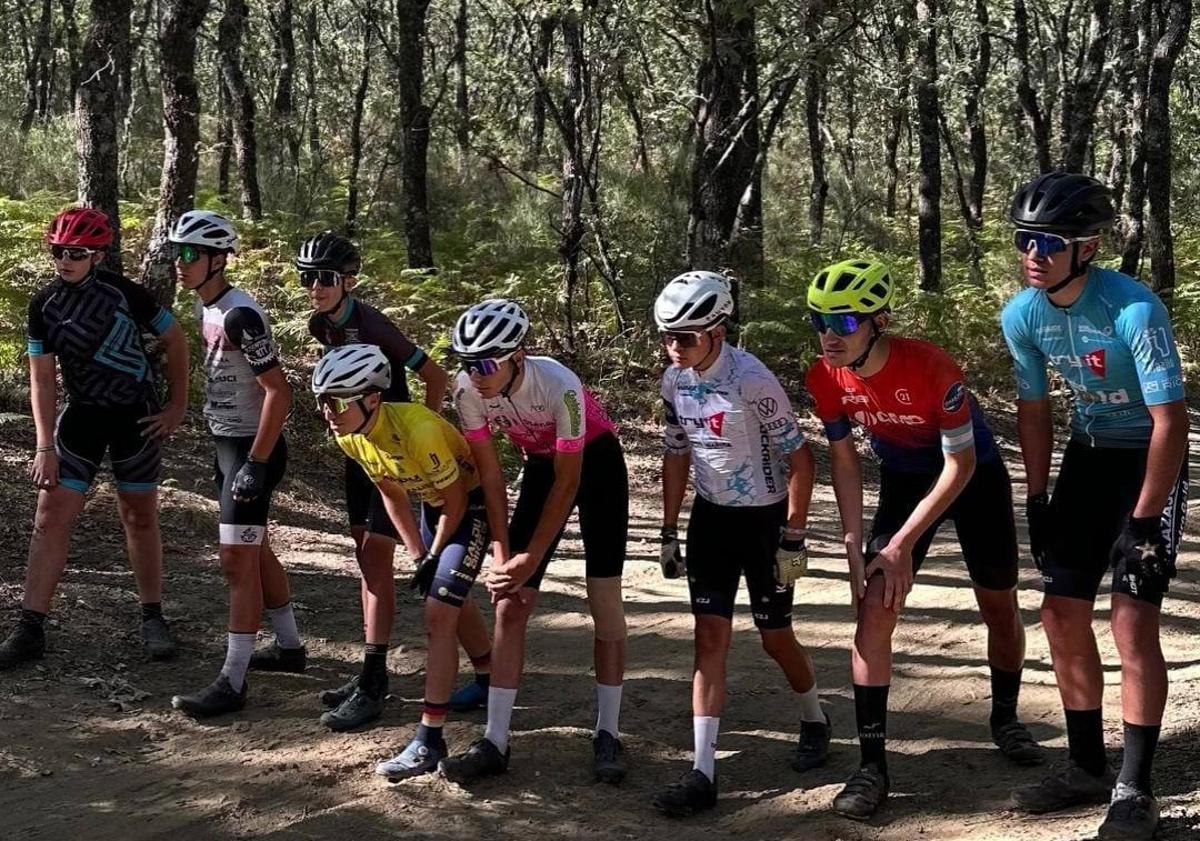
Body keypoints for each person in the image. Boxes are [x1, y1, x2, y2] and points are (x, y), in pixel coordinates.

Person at [804, 258, 1042, 820]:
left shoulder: (933, 366)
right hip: (904, 480)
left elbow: (958, 466)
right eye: (818, 320)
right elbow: (842, 460)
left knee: (999, 608)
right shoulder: (824, 375)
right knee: (874, 611)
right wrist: (854, 538)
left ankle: (1005, 719)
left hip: (973, 478)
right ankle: (871, 767)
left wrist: (901, 543)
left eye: (841, 323)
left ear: (877, 322)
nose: (827, 335)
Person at [1001, 173, 1187, 841]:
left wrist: (1144, 518)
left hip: (1146, 457)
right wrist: (1038, 495)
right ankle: (1085, 766)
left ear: (1088, 247)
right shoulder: (1022, 313)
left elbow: (1171, 420)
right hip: (1086, 458)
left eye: (1048, 243)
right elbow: (1034, 407)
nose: (1033, 254)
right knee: (1059, 612)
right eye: (1025, 240)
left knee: (1132, 621)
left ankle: (1136, 788)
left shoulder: (1134, 311)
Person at [650, 271, 827, 818]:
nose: (673, 347)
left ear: (718, 332)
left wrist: (793, 534)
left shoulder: (753, 379)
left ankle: (815, 720)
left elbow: (800, 459)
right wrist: (668, 529)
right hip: (711, 520)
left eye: (686, 337)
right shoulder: (672, 382)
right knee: (710, 641)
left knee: (775, 638)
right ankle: (703, 771)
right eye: (666, 336)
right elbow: (677, 452)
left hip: (765, 521)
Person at [437, 299, 631, 785]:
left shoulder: (559, 385)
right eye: (466, 364)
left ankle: (608, 731)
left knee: (603, 597)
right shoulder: (468, 391)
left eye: (486, 364)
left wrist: (532, 556)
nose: (475, 375)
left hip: (597, 465)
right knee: (509, 602)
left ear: (517, 356)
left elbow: (570, 482)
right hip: (541, 467)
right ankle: (494, 741)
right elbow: (491, 474)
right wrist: (505, 555)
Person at [297, 231, 480, 732]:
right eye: (306, 277)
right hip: (362, 446)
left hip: (398, 447)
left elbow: (435, 375)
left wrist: (421, 430)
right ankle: (373, 672)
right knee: (366, 557)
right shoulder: (322, 324)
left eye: (326, 279)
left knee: (387, 559)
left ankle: (375, 680)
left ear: (349, 281)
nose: (315, 287)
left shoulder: (373, 323)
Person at [0, 207, 188, 670]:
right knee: (50, 514)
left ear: (97, 255)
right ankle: (30, 627)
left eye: (77, 253)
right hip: (82, 418)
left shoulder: (127, 294)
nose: (65, 260)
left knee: (138, 515)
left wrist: (177, 406)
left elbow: (176, 339)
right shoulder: (44, 304)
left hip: (136, 420)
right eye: (58, 252)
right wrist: (43, 446)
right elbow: (41, 380)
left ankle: (152, 616)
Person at [313, 344, 491, 779]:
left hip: (471, 506)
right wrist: (417, 554)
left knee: (438, 609)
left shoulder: (418, 429)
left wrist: (433, 555)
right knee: (449, 596)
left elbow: (454, 500)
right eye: (321, 401)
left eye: (336, 400)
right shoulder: (350, 434)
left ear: (372, 398)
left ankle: (430, 739)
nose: (328, 412)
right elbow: (392, 493)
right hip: (435, 507)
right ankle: (488, 678)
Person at [167, 210, 304, 717]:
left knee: (234, 562)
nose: (179, 264)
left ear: (218, 260)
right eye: (175, 253)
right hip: (231, 448)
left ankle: (233, 680)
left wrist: (255, 463)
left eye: (190, 255)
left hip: (253, 450)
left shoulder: (239, 314)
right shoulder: (212, 307)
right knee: (254, 548)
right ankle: (289, 647)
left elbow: (280, 393)